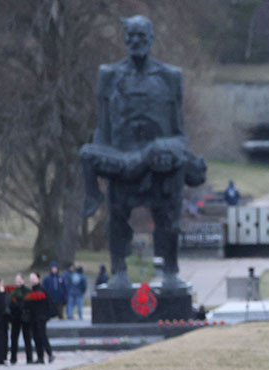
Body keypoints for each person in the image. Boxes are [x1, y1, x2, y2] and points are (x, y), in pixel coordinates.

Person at [79, 15, 207, 290]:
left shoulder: (170, 77)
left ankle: (171, 271)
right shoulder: (109, 75)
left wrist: (172, 151)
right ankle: (119, 273)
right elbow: (103, 130)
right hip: (122, 162)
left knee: (169, 221)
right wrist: (102, 160)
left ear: (151, 39)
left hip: (160, 164)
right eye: (131, 36)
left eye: (141, 36)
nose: (135, 41)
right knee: (116, 218)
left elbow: (179, 131)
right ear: (125, 39)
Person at [25, 272, 55, 364]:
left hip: (41, 318)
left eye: (34, 278)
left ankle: (50, 354)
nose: (32, 280)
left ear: (38, 279)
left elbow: (47, 304)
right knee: (36, 337)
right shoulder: (31, 291)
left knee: (42, 336)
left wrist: (46, 316)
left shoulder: (42, 290)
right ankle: (40, 357)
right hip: (33, 318)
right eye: (31, 278)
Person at [8, 273, 33, 364]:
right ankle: (13, 358)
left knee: (27, 338)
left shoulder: (27, 291)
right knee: (14, 338)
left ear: (23, 280)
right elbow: (10, 304)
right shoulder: (13, 292)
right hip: (15, 318)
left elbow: (30, 304)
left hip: (25, 318)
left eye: (19, 280)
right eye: (16, 281)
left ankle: (29, 358)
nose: (18, 282)